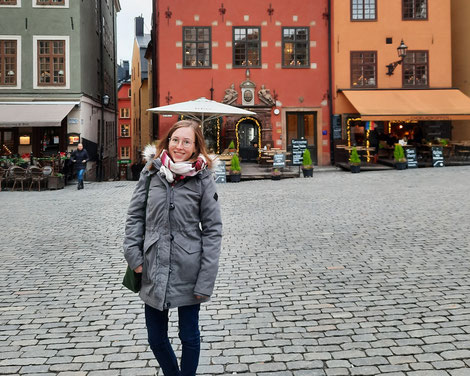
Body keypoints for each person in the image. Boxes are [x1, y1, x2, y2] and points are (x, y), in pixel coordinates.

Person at [123, 120, 222, 376]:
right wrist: (135, 258)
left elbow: (212, 230)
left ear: (195, 146)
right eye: (175, 140)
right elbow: (134, 216)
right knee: (156, 338)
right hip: (153, 263)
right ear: (167, 142)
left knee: (189, 335)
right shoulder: (151, 172)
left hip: (189, 266)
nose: (179, 146)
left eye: (186, 141)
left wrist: (206, 279)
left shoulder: (203, 178)